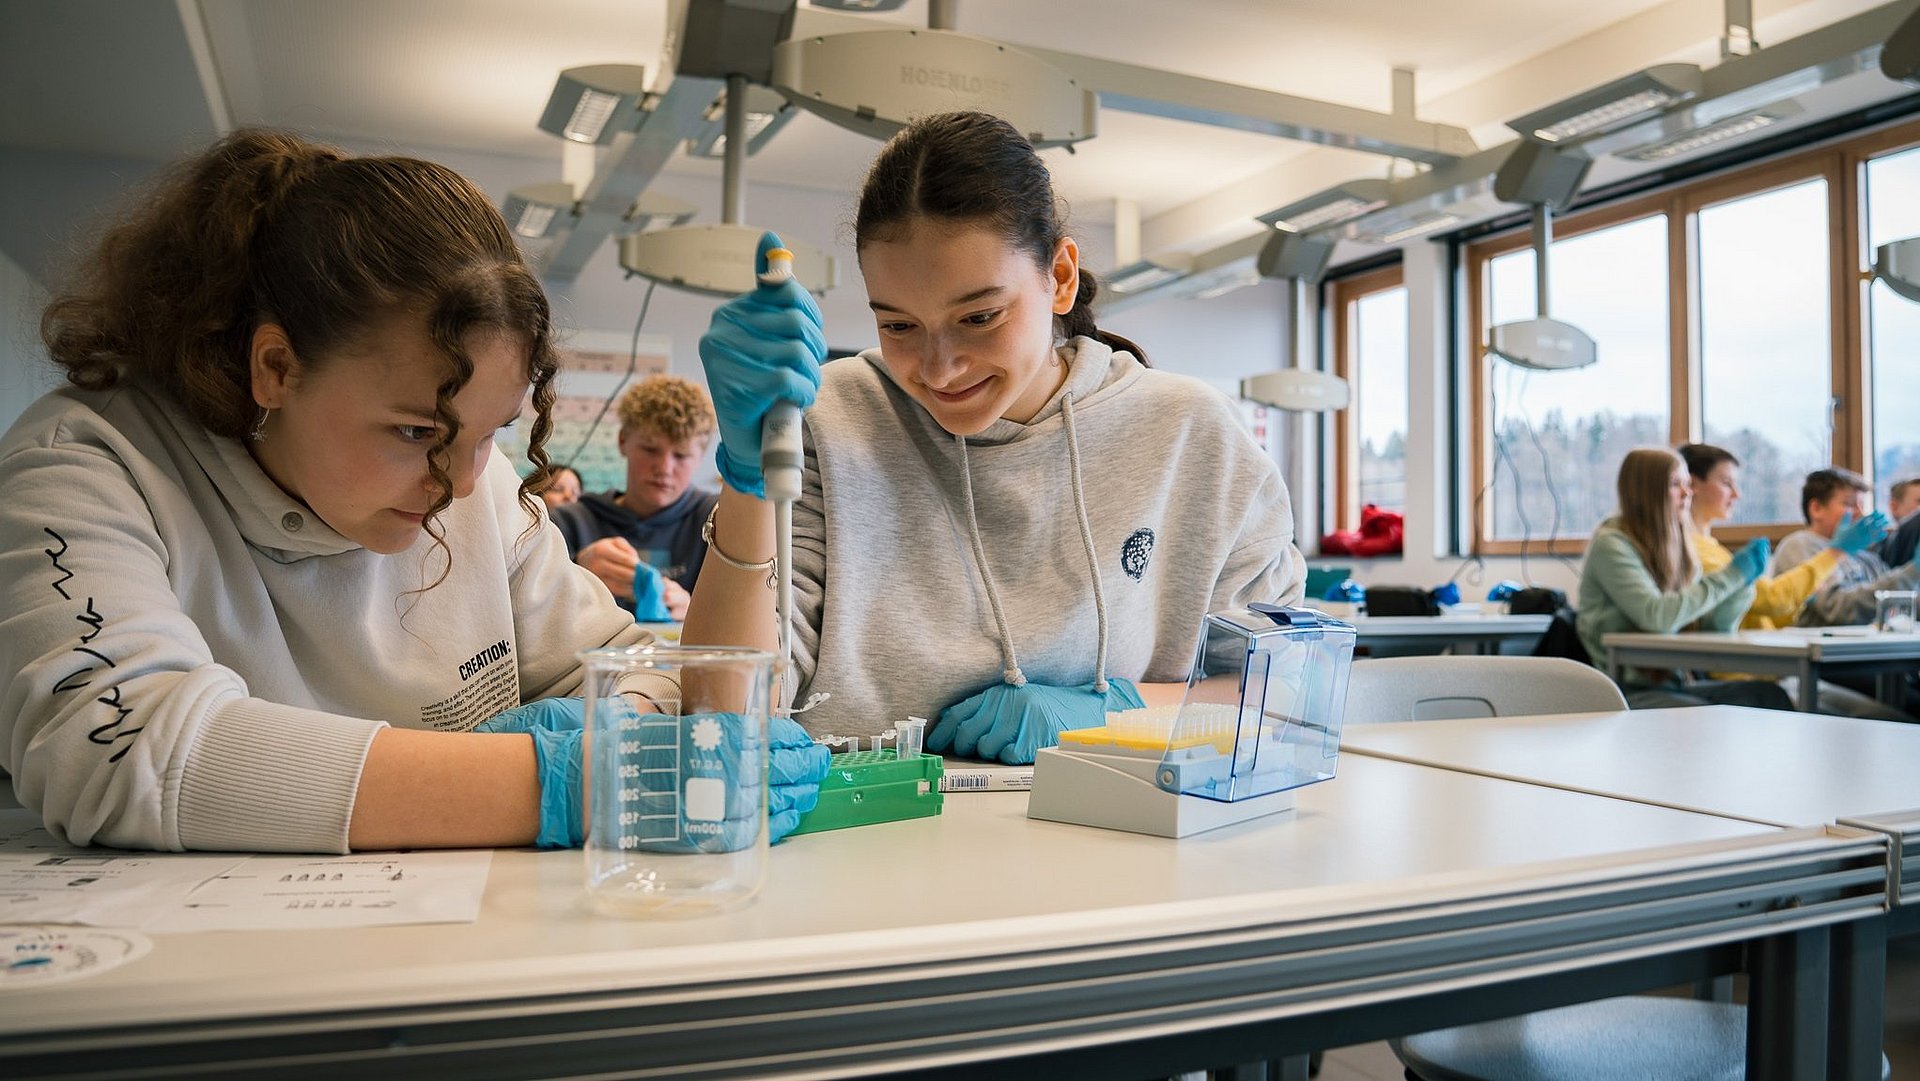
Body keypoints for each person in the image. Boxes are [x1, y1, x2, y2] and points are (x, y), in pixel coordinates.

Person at [0, 130, 823, 854]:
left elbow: (637, 674)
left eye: (490, 433)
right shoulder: (87, 466)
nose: (458, 485)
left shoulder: (477, 483)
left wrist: (626, 720)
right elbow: (116, 746)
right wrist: (556, 781)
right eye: (416, 431)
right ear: (276, 367)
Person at [682, 111, 1306, 764]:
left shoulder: (1194, 435)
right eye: (898, 325)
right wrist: (749, 476)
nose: (939, 368)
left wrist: (1118, 710)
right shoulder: (828, 420)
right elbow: (722, 718)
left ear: (1060, 277)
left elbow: (1284, 693)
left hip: (1123, 823)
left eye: (979, 317)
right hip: (868, 825)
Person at [1677, 445, 1898, 717]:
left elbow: (1765, 614)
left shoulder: (1713, 547)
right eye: (1726, 483)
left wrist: (1804, 596)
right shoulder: (1694, 550)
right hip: (1750, 675)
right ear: (1693, 484)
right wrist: (1835, 553)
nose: (1737, 494)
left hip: (1772, 671)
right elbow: (1770, 600)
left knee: (1885, 715)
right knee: (1880, 718)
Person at [1576, 447, 1789, 710]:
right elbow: (1656, 616)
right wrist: (1732, 576)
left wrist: (1743, 586)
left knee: (1768, 695)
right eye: (1675, 484)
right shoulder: (1611, 544)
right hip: (1623, 691)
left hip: (1673, 685)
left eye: (1687, 484)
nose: (1688, 493)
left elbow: (1713, 629)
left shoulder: (1678, 545)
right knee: (1703, 713)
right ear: (1647, 491)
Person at [550, 374, 719, 621]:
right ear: (622, 441)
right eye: (650, 449)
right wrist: (573, 573)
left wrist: (700, 617)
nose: (664, 468)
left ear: (701, 456)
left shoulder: (719, 522)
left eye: (681, 455)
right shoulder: (568, 523)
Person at [1777, 468, 1918, 627]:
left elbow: (1894, 604)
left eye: (1862, 505)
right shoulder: (1800, 545)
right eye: (1849, 504)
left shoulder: (1865, 557)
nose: (1860, 512)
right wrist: (1914, 571)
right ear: (1816, 508)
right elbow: (1836, 609)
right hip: (1819, 642)